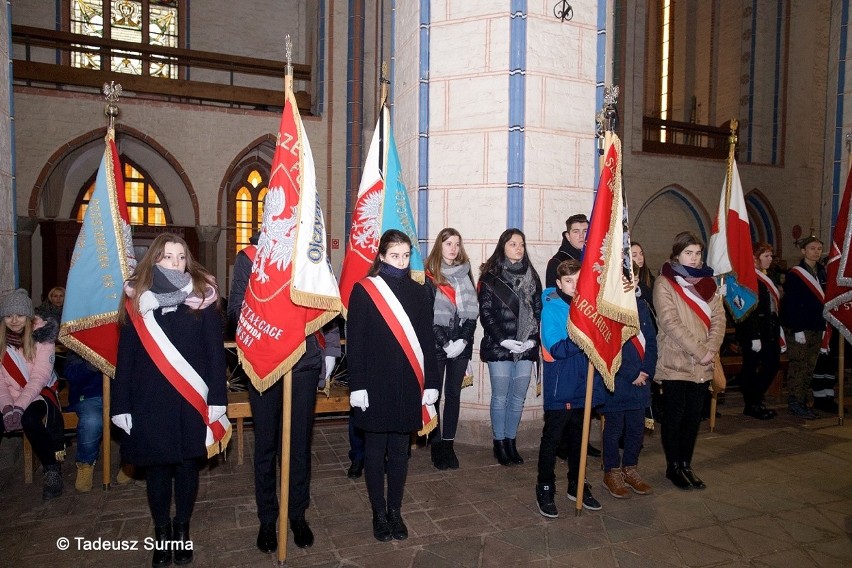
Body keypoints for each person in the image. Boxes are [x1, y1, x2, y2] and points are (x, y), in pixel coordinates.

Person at [112, 233, 227, 567]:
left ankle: (182, 531)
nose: (176, 263)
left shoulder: (203, 300)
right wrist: (121, 405)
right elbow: (127, 357)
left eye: (180, 257)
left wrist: (217, 399)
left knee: (188, 469)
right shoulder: (138, 303)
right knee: (158, 471)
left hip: (191, 401)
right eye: (167, 256)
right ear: (154, 261)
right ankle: (162, 535)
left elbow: (214, 355)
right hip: (149, 402)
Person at [227, 233, 321, 553]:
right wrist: (271, 328)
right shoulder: (249, 258)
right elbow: (235, 310)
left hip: (303, 364)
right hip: (264, 362)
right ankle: (268, 518)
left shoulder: (311, 253)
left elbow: (325, 304)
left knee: (297, 446)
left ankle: (296, 514)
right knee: (266, 445)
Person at [347, 229, 440, 542]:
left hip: (407, 384)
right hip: (374, 384)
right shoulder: (364, 291)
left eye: (405, 255)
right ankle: (378, 512)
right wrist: (357, 385)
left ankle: (395, 512)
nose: (401, 262)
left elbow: (428, 341)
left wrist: (431, 383)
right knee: (375, 452)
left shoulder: (419, 292)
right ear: (382, 256)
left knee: (400, 451)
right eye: (394, 255)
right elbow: (356, 343)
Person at [654, 231, 725, 490]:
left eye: (697, 253)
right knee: (675, 416)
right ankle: (673, 466)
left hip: (703, 364)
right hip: (676, 360)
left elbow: (719, 318)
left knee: (694, 417)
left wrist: (711, 348)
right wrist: (700, 351)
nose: (694, 259)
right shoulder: (665, 282)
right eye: (688, 253)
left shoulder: (708, 282)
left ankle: (686, 464)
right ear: (677, 254)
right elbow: (669, 322)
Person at [535, 259, 603, 517]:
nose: (574, 286)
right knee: (552, 439)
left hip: (584, 384)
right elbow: (557, 348)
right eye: (569, 281)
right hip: (561, 385)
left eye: (578, 280)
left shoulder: (589, 307)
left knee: (580, 439)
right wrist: (585, 336)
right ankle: (544, 485)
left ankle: (578, 483)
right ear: (559, 283)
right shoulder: (552, 307)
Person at [479, 228, 542, 466]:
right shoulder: (491, 276)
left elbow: (538, 310)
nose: (518, 248)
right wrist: (502, 340)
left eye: (521, 244)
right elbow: (485, 312)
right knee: (500, 396)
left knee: (518, 398)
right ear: (502, 246)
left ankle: (511, 442)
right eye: (513, 244)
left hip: (525, 345)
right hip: (500, 345)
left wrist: (532, 339)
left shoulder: (532, 276)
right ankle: (499, 443)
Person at [0, 288, 65, 500]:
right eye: (9, 316)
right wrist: (8, 408)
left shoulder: (42, 336)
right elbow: (0, 383)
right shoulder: (1, 342)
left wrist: (19, 407)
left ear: (28, 316)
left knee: (30, 419)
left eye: (19, 315)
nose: (14, 320)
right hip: (10, 395)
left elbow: (39, 377)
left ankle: (52, 469)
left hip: (39, 391)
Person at [424, 228, 478, 470]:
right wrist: (446, 343)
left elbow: (472, 314)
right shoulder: (429, 276)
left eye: (457, 243)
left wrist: (463, 341)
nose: (453, 248)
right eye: (448, 243)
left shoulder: (466, 274)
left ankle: (448, 444)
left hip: (460, 346)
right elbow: (426, 315)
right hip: (437, 346)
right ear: (440, 246)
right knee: (435, 395)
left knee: (454, 395)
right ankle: (436, 445)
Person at [599, 293, 658, 499]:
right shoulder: (609, 305)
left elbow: (651, 340)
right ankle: (612, 472)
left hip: (642, 379)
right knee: (614, 429)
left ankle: (630, 468)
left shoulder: (641, 305)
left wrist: (647, 370)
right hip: (619, 378)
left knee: (636, 428)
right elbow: (610, 344)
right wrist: (633, 373)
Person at [735, 242, 783, 420]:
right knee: (751, 366)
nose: (770, 259)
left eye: (771, 256)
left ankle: (756, 397)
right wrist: (754, 336)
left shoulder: (766, 276)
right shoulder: (749, 278)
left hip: (769, 327)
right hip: (754, 329)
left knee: (772, 364)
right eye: (766, 256)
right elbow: (748, 309)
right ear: (755, 258)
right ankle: (752, 403)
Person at [781, 236, 826, 419]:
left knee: (810, 365)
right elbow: (792, 303)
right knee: (798, 365)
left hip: (816, 325)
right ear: (803, 251)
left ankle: (803, 400)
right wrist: (797, 328)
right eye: (812, 248)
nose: (816, 251)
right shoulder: (795, 274)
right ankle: (795, 401)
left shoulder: (822, 272)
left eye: (819, 249)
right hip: (800, 328)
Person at [64, 350, 104, 492]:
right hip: (88, 396)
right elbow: (71, 374)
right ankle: (85, 463)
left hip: (117, 392)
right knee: (91, 421)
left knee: (135, 416)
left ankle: (129, 463)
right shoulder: (80, 334)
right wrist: (90, 365)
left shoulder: (120, 330)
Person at [545, 214, 588, 288]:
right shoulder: (557, 261)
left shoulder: (596, 257)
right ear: (568, 236)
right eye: (576, 231)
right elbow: (552, 295)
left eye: (585, 231)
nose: (581, 235)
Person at [631, 242, 656, 312]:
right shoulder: (625, 279)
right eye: (634, 255)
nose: (640, 258)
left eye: (641, 254)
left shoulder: (647, 274)